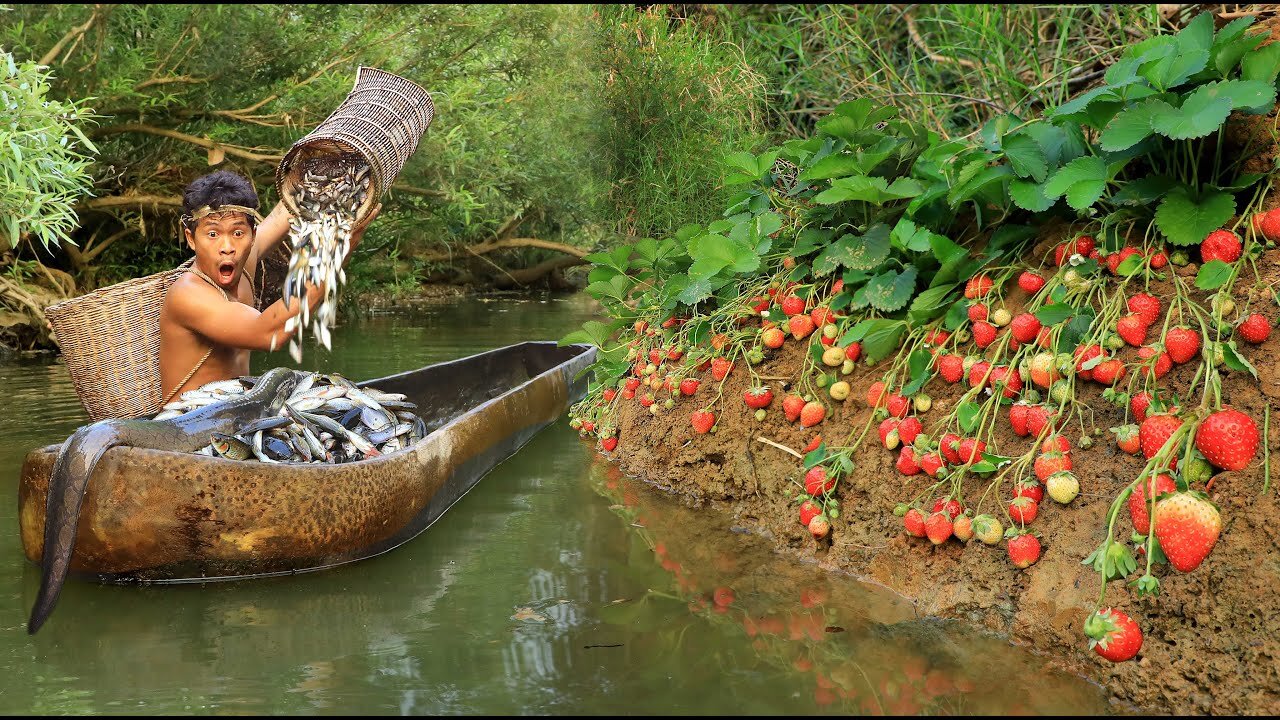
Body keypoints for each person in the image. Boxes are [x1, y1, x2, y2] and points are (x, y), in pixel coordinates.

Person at [158, 170, 379, 402]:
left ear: (252, 236)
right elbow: (270, 333)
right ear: (191, 239)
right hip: (187, 426)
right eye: (212, 234)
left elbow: (281, 214)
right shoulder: (189, 295)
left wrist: (321, 175)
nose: (227, 246)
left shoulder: (242, 262)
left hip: (239, 412)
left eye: (237, 232)